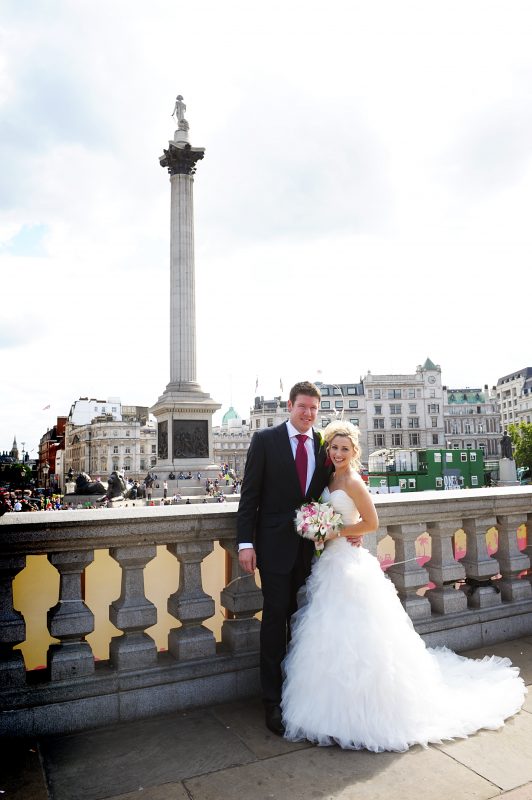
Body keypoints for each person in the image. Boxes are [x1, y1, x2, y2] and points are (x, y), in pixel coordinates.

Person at [281, 421, 527, 751]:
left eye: (344, 448)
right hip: (329, 563)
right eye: (333, 448)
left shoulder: (352, 481)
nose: (338, 453)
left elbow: (371, 523)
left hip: (349, 564)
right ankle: (332, 710)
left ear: (354, 451)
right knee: (330, 634)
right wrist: (320, 529)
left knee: (361, 637)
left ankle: (368, 711)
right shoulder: (329, 477)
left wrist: (332, 533)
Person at [237, 381, 332, 735]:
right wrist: (245, 543)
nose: (308, 413)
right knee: (276, 622)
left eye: (313, 409)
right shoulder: (266, 441)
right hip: (274, 549)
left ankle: (300, 693)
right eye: (302, 406)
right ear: (289, 406)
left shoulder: (324, 445)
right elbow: (250, 496)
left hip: (311, 551)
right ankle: (272, 702)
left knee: (304, 623)